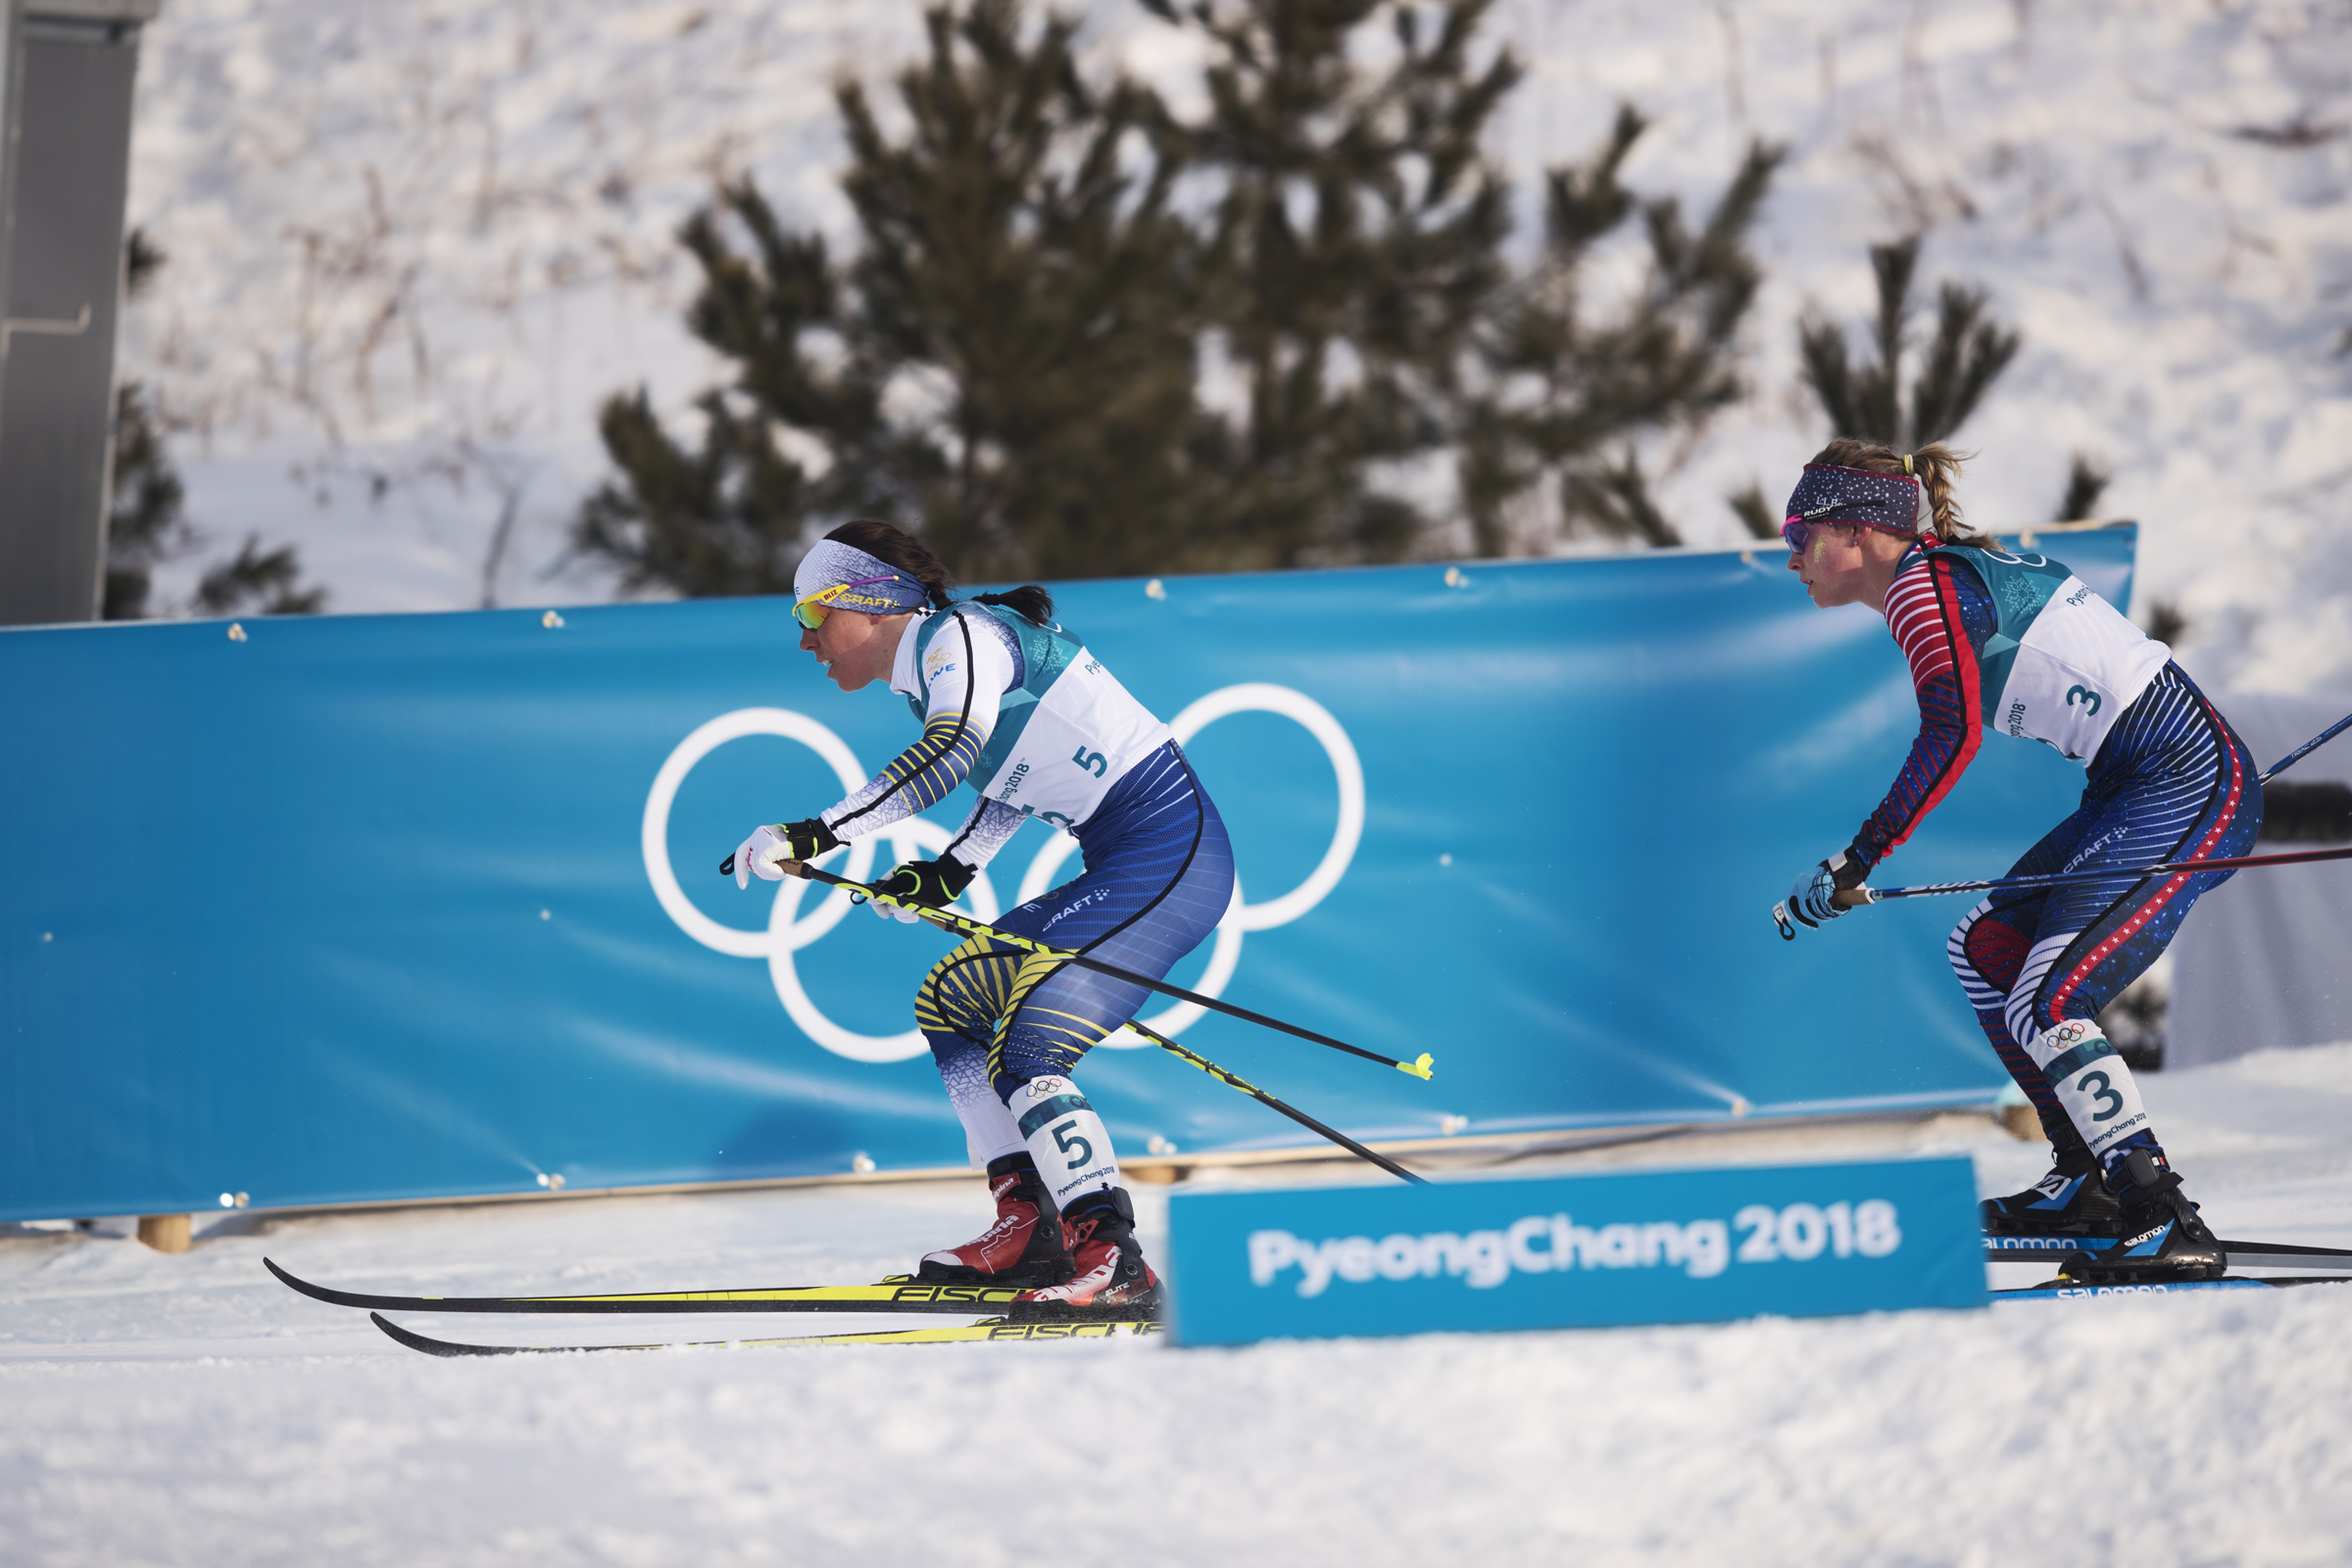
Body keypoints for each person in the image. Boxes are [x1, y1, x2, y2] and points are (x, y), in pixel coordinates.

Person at [1776, 440, 2261, 1283]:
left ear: (1857, 530)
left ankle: (2160, 1210)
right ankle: (2088, 1181)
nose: (1790, 555)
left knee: (2051, 993)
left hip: (2181, 775)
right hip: (2137, 782)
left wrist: (1857, 859)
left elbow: (1951, 731)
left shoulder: (1922, 593)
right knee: (1985, 946)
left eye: (1798, 530)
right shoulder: (1929, 579)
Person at [730, 519, 1234, 1312]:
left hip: (1170, 851)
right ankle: (1031, 1227)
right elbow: (1010, 775)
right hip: (1130, 853)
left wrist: (812, 833)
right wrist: (951, 869)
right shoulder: (933, 664)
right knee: (955, 1000)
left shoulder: (957, 639)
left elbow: (952, 755)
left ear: (868, 601)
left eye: (810, 615)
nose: (805, 641)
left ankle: (1114, 1257)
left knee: (1031, 1044)